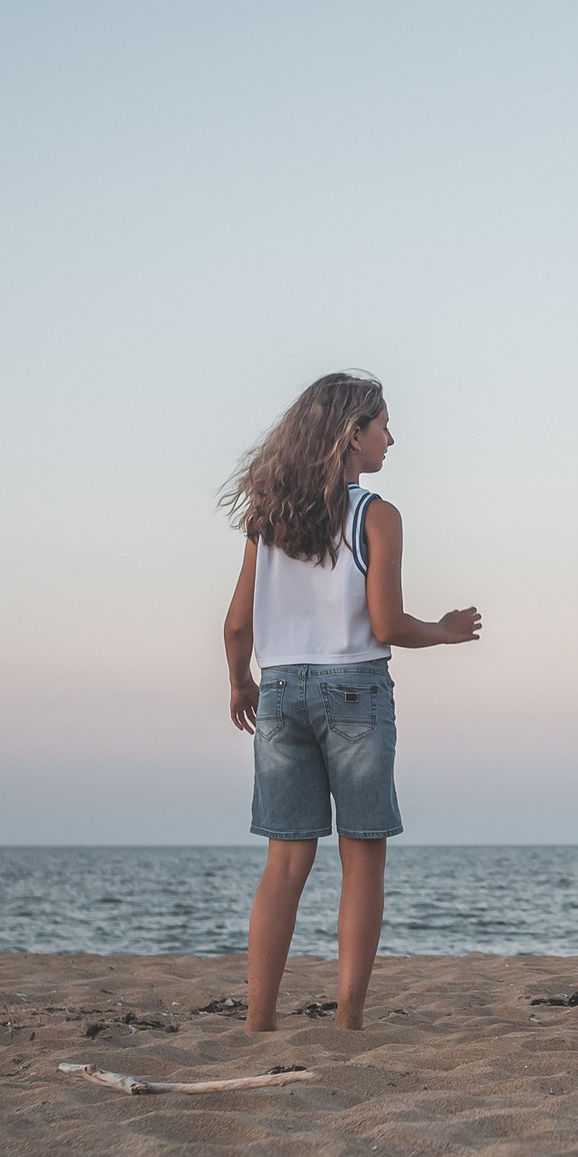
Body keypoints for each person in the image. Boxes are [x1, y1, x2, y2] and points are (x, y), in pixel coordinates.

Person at [219, 372, 481, 1033]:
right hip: (355, 687)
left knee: (284, 862)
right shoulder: (376, 514)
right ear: (351, 434)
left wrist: (240, 682)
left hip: (279, 688)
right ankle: (348, 1018)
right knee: (361, 855)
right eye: (383, 425)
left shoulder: (267, 519)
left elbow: (234, 626)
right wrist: (446, 631)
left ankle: (258, 1019)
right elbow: (387, 625)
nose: (391, 437)